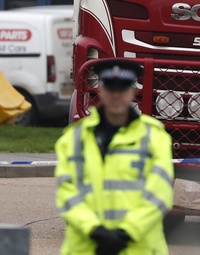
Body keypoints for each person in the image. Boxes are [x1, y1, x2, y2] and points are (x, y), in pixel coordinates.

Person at [55, 58, 174, 255]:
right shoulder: (74, 138)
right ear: (100, 90)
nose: (117, 95)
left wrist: (127, 233)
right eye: (111, 88)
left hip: (137, 248)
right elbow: (67, 192)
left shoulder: (153, 137)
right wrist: (94, 230)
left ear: (133, 91)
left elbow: (159, 194)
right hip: (87, 247)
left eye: (123, 88)